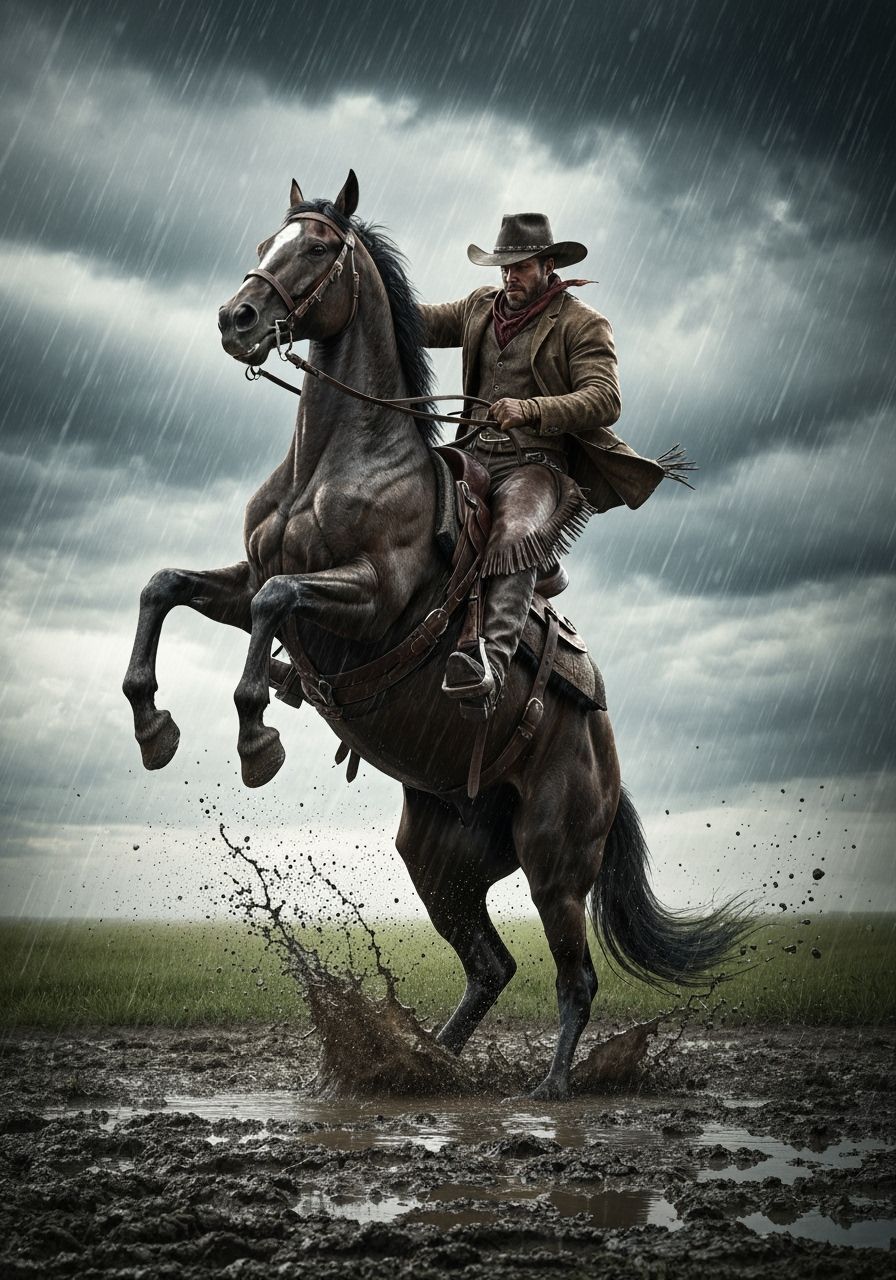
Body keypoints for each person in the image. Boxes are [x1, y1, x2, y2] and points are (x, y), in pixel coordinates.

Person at [419, 212, 677, 719]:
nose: (509, 276)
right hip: (468, 457)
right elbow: (418, 321)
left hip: (534, 468)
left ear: (548, 264)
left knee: (515, 532)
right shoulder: (477, 308)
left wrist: (532, 409)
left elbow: (605, 399)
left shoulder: (582, 323)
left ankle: (489, 666)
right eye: (504, 267)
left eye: (520, 267)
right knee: (396, 498)